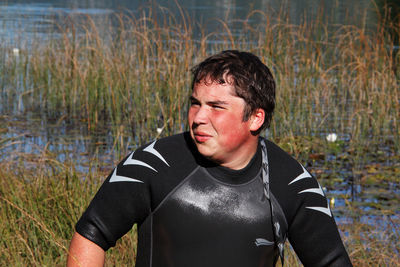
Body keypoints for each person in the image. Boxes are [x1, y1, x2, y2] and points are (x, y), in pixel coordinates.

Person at [67, 50, 352, 267]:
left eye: (216, 107)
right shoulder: (153, 163)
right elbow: (92, 235)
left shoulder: (294, 184)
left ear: (255, 118)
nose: (198, 118)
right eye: (195, 103)